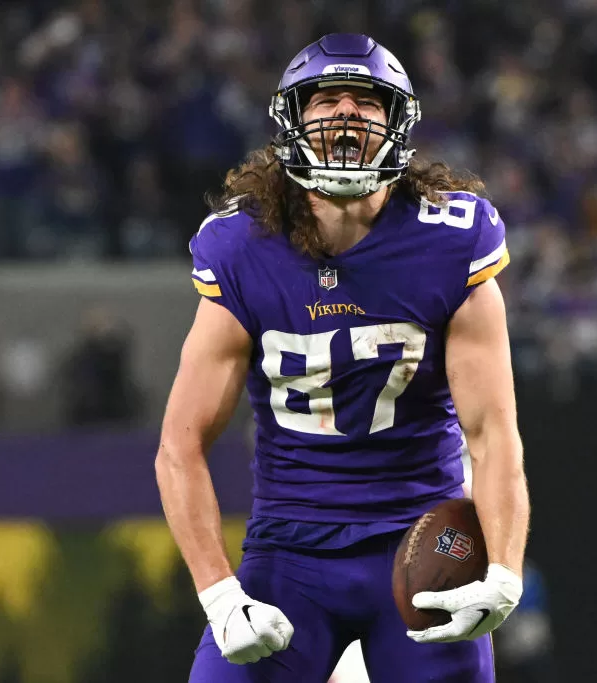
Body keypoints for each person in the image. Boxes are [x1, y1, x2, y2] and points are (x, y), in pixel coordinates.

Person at [155, 33, 529, 683]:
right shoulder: (243, 247)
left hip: (421, 542)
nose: (348, 116)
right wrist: (220, 594)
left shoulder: (450, 240)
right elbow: (179, 443)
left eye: (368, 102)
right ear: (290, 121)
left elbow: (493, 434)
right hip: (290, 550)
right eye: (328, 100)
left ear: (400, 122)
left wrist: (504, 569)